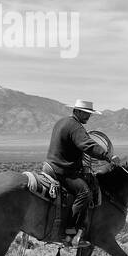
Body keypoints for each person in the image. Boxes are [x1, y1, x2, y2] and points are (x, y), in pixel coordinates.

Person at [46, 100, 114, 247]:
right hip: (62, 170)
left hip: (51, 165)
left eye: (90, 114)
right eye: (86, 113)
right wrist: (108, 156)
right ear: (77, 111)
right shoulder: (75, 127)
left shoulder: (62, 122)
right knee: (85, 193)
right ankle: (69, 234)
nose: (88, 116)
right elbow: (87, 145)